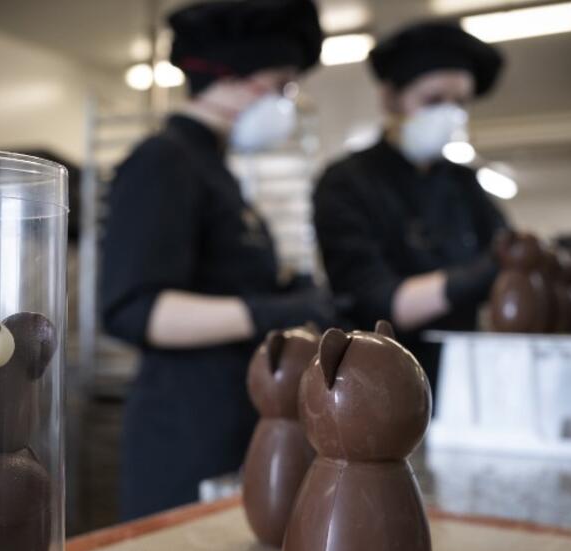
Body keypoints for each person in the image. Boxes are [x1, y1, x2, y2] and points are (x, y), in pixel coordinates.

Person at [101, 0, 331, 520]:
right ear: (232, 78)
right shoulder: (163, 160)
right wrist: (268, 312)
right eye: (281, 85)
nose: (285, 102)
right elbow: (134, 310)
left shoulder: (215, 169)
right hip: (185, 432)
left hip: (233, 419)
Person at [313, 21, 509, 387]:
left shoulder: (464, 183)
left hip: (466, 378)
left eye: (461, 103)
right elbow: (377, 302)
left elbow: (506, 254)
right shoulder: (346, 182)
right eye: (434, 100)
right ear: (390, 98)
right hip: (379, 383)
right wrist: (475, 276)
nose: (450, 114)